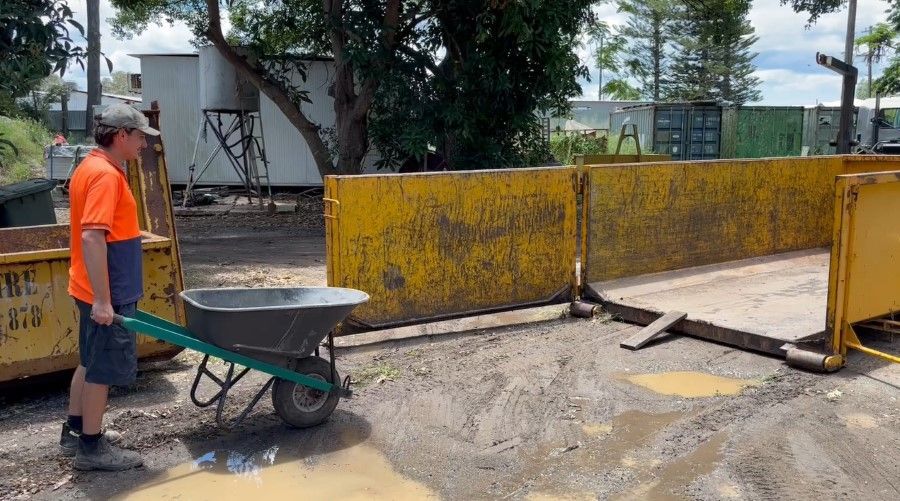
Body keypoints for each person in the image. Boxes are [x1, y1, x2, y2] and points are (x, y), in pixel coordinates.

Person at [60, 104, 159, 471]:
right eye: (139, 138)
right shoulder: (105, 175)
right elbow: (92, 237)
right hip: (105, 293)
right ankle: (91, 448)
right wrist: (104, 301)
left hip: (90, 288)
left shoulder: (90, 166)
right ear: (121, 136)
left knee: (89, 361)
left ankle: (75, 431)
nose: (143, 146)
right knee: (102, 369)